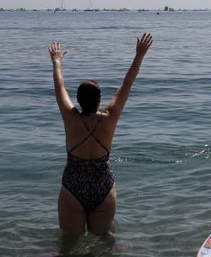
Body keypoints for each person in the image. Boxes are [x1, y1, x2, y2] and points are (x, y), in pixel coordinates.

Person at [50, 31, 152, 243]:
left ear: (77, 100)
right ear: (99, 100)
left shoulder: (70, 118)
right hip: (102, 184)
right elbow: (127, 84)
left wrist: (56, 61)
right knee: (105, 241)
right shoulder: (109, 118)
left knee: (69, 243)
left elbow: (59, 86)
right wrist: (139, 55)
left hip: (73, 184)